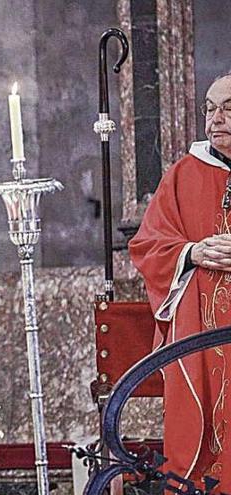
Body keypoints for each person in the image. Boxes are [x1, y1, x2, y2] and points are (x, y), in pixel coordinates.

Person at [130, 73, 231, 488]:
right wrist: (192, 252)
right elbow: (148, 244)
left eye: (228, 108)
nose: (216, 119)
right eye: (209, 109)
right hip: (201, 336)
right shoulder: (183, 174)